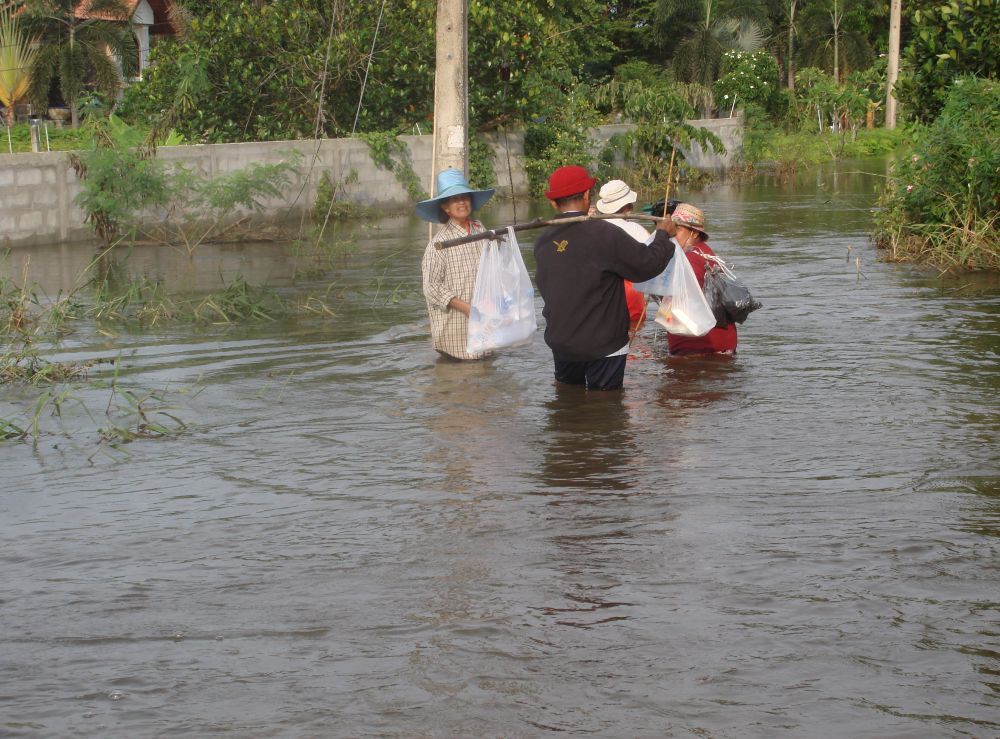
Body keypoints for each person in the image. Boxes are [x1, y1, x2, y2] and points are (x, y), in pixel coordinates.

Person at [533, 165, 675, 391]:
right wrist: (663, 235)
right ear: (588, 196)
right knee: (605, 407)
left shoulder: (541, 242)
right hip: (604, 344)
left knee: (569, 399)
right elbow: (647, 265)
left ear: (553, 203)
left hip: (562, 342)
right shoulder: (604, 234)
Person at [418, 168, 496, 361]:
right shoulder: (439, 244)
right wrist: (467, 308)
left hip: (485, 328)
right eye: (454, 199)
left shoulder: (481, 230)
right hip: (456, 336)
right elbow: (431, 288)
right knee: (459, 384)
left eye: (464, 197)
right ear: (446, 207)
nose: (461, 202)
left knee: (486, 383)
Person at [666, 203, 738, 356]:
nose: (671, 234)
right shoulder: (705, 253)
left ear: (694, 233)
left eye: (677, 229)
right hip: (719, 340)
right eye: (671, 229)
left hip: (698, 343)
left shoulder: (688, 259)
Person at [594, 179, 662, 334]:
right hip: (629, 293)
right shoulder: (634, 229)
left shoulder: (591, 228)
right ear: (627, 206)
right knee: (633, 336)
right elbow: (652, 262)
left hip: (601, 298)